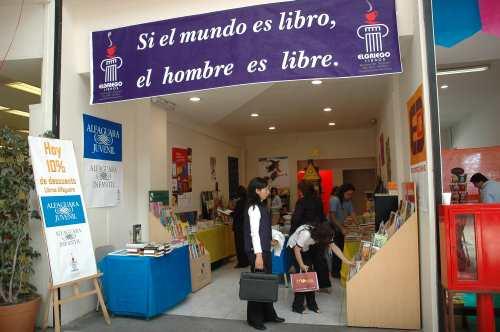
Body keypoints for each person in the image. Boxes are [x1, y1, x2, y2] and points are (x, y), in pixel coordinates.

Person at [243, 177, 285, 330]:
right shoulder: (253, 208)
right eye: (266, 189)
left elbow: (262, 230)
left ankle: (269, 314)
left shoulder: (261, 205)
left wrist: (271, 239)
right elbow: (254, 233)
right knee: (258, 284)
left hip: (263, 248)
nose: (268, 191)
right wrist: (258, 255)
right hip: (257, 252)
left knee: (266, 282)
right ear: (257, 191)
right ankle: (254, 318)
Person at [288, 223, 354, 314]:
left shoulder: (324, 234)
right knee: (302, 277)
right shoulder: (306, 234)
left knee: (310, 276)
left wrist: (347, 261)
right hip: (294, 248)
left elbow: (334, 247)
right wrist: (302, 264)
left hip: (305, 249)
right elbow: (296, 249)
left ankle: (311, 305)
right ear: (321, 237)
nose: (329, 241)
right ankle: (297, 306)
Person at [290, 181, 331, 291]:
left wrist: (293, 232)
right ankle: (323, 285)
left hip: (306, 234)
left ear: (301, 190)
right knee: (319, 259)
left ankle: (307, 286)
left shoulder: (301, 202)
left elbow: (296, 219)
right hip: (318, 232)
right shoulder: (318, 200)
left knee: (304, 260)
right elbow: (322, 216)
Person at [329, 183, 356, 279]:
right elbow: (332, 217)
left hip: (341, 228)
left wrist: (358, 224)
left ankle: (341, 270)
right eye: (348, 194)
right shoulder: (335, 200)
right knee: (337, 250)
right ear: (343, 192)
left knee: (342, 248)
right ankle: (335, 273)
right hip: (333, 228)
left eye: (351, 194)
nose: (350, 196)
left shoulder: (348, 201)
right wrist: (341, 228)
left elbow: (352, 213)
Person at [232, 185, 249, 268]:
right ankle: (247, 260)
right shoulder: (248, 201)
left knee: (239, 245)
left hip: (239, 226)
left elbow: (236, 214)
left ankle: (241, 262)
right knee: (245, 244)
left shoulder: (239, 202)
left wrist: (230, 213)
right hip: (245, 225)